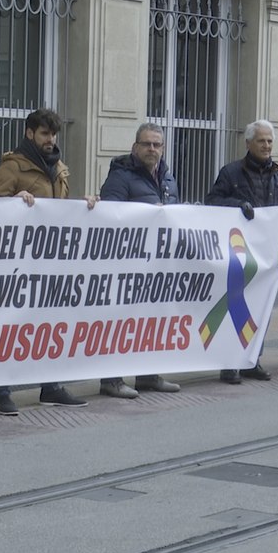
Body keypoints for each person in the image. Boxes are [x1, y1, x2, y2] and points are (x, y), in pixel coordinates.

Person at [0, 108, 94, 415]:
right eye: (45, 133)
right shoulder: (13, 166)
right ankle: (2, 391)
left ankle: (51, 386)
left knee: (48, 325)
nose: (51, 139)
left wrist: (84, 207)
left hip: (48, 262)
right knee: (8, 325)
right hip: (16, 262)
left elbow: (57, 211)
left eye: (54, 134)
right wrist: (14, 200)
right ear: (29, 133)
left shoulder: (58, 168)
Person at [96, 123, 182, 398]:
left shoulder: (168, 179)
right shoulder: (121, 177)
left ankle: (147, 375)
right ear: (135, 147)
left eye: (157, 145)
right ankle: (111, 379)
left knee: (151, 321)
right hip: (126, 265)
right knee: (119, 322)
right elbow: (109, 216)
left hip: (157, 266)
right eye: (147, 144)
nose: (152, 149)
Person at [206, 119, 278, 384]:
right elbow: (212, 202)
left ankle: (252, 359)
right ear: (248, 143)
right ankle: (230, 364)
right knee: (236, 306)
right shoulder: (231, 173)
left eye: (269, 141)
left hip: (269, 255)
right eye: (261, 141)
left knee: (262, 309)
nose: (266, 145)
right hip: (239, 253)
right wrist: (237, 204)